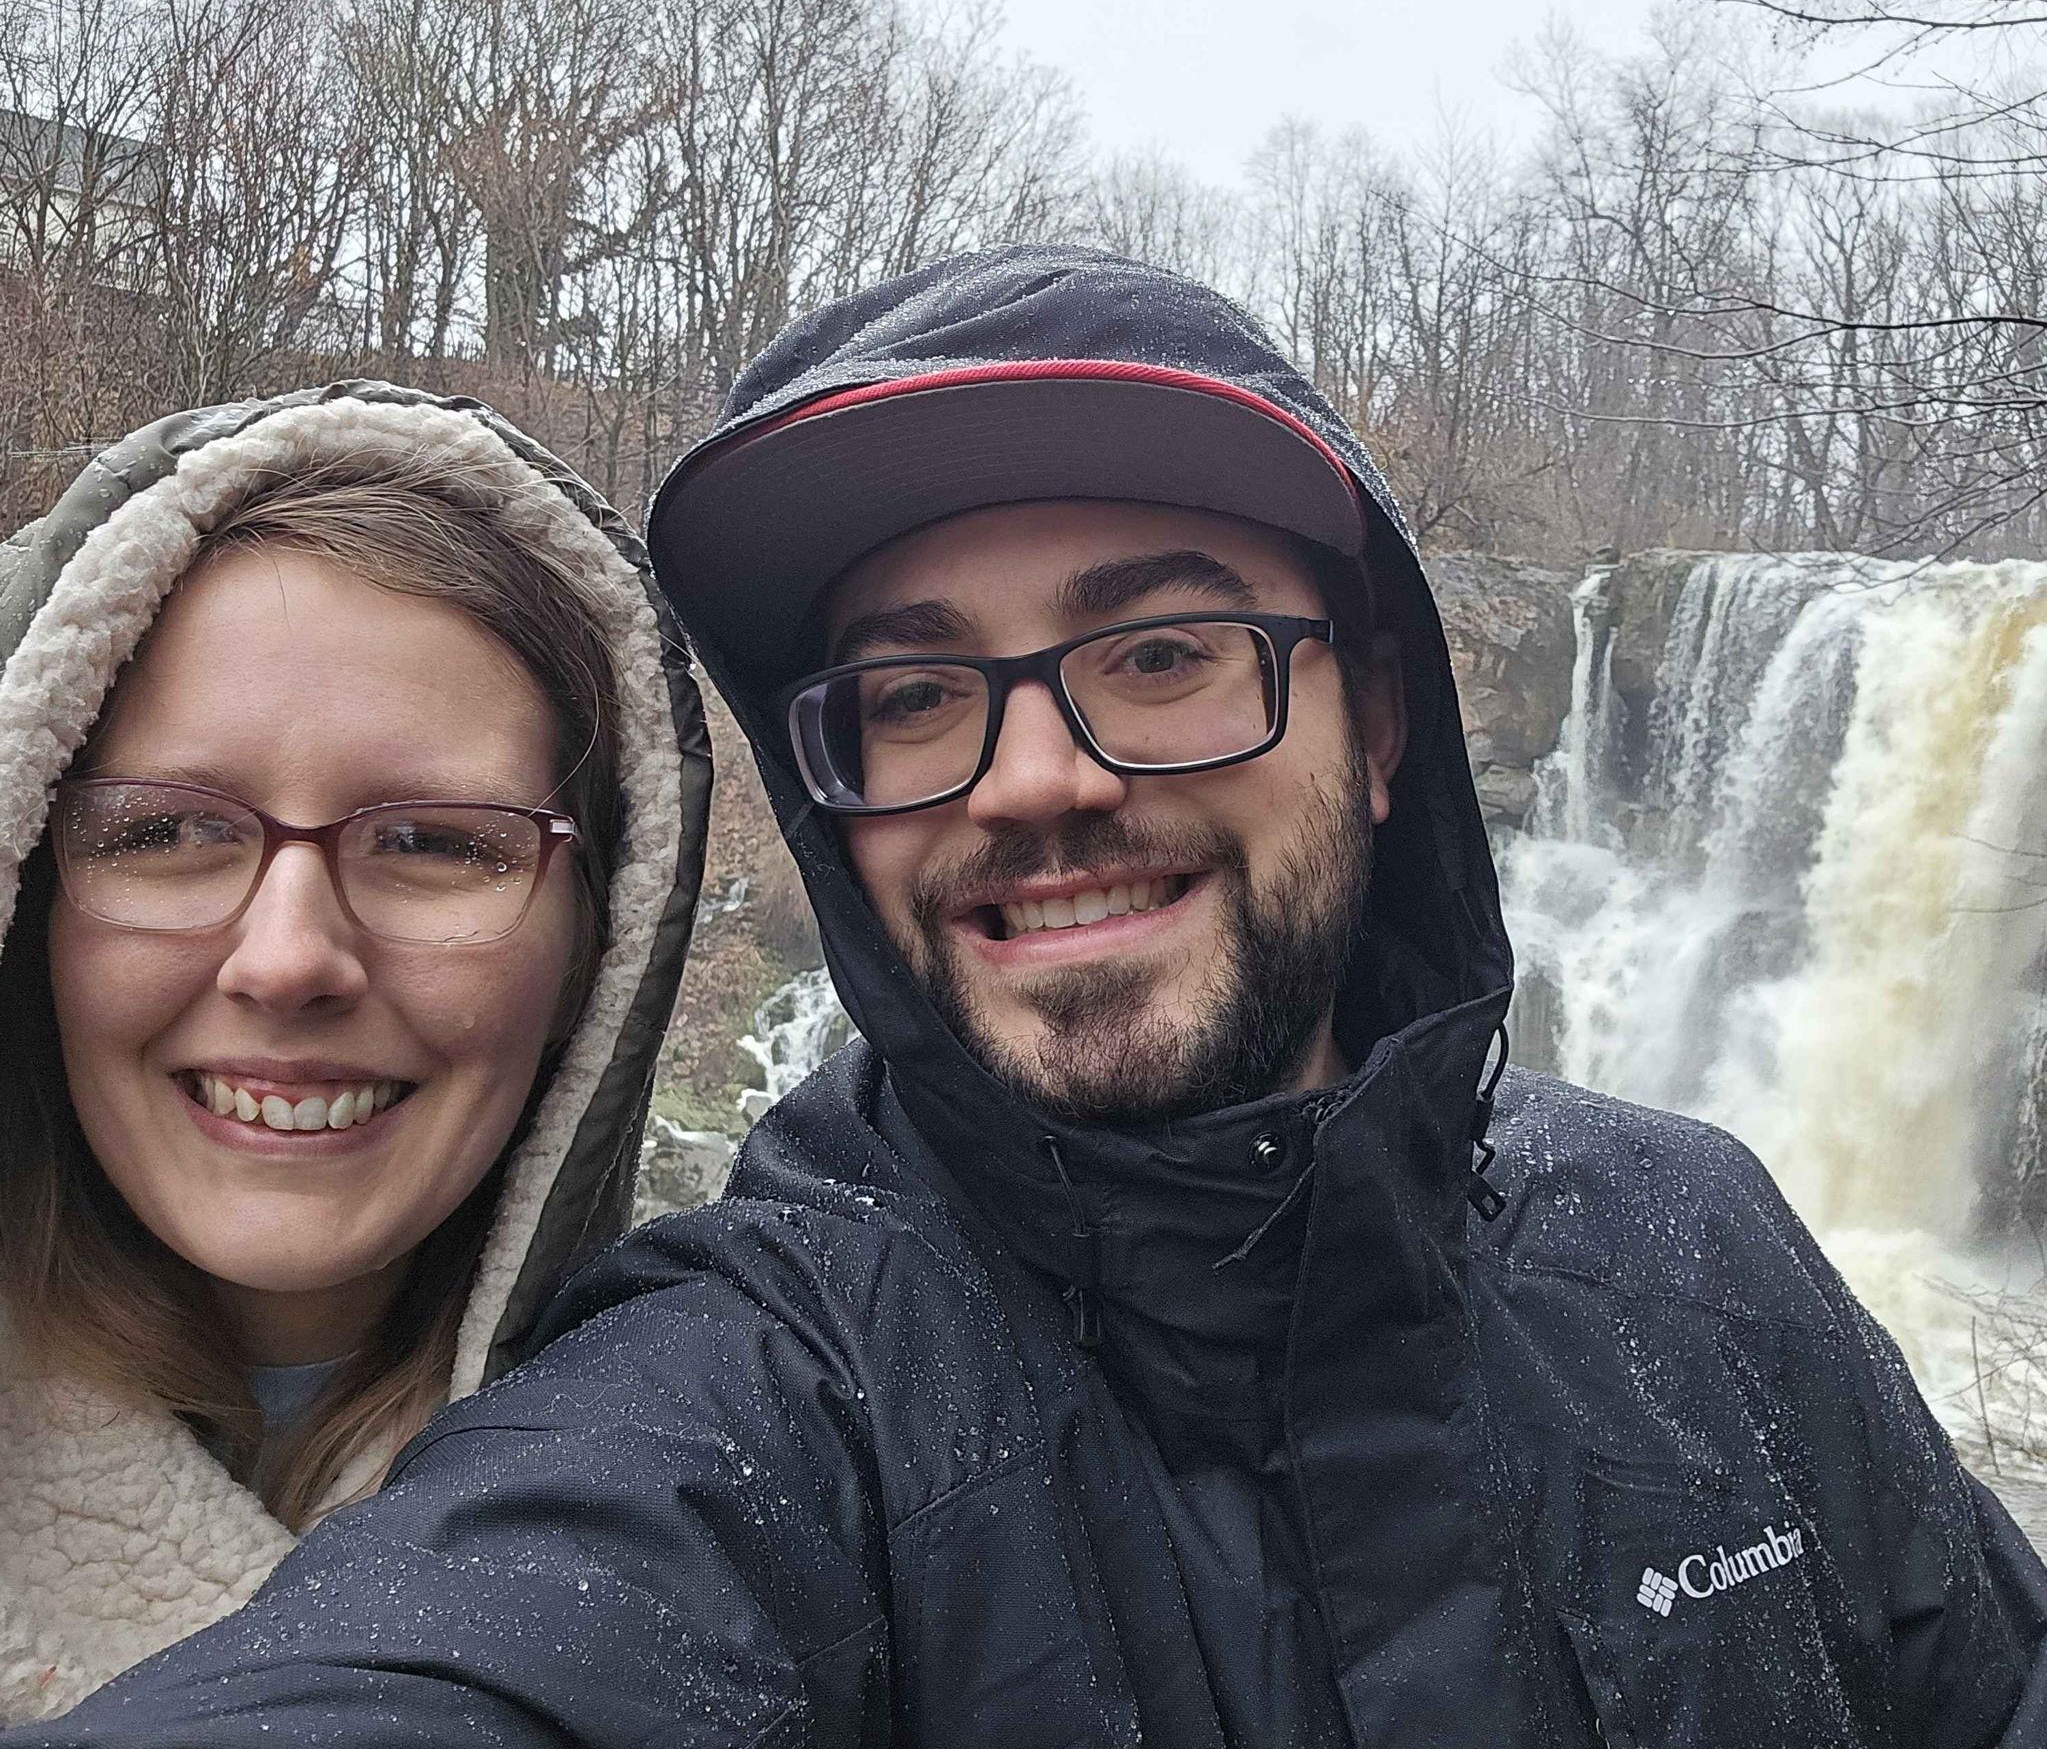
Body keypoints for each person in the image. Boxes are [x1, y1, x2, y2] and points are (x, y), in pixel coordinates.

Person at [16, 249, 2047, 1747]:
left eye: (1161, 651)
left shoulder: (1692, 1246)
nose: (1035, 774)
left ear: (1387, 721)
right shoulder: (745, 1390)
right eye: (909, 696)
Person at [0, 381, 709, 1724]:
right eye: (163, 831)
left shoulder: (751, 1517)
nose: (286, 960)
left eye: (439, 843)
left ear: (591, 960)